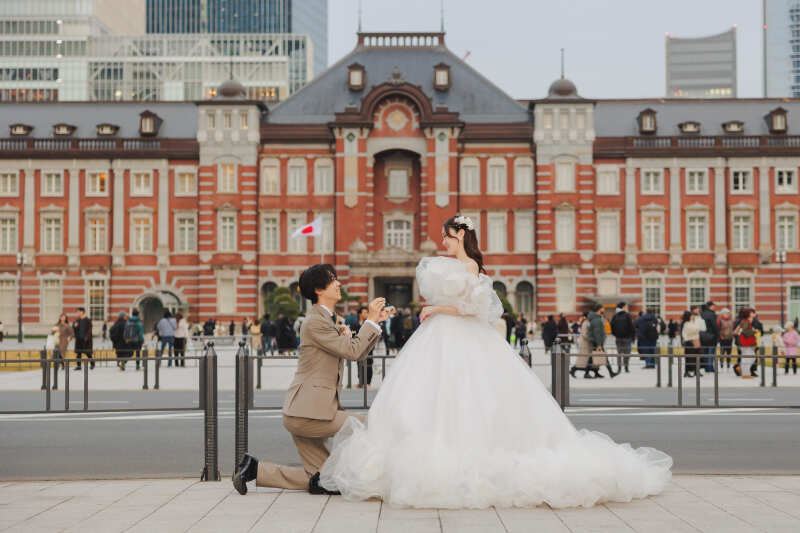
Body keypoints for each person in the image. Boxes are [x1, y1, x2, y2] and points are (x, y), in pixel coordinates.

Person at [313, 215, 671, 508]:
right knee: (432, 395)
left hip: (460, 334)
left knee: (468, 395)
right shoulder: (451, 266)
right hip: (440, 337)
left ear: (461, 236)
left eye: (448, 236)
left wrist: (437, 309)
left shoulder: (470, 267)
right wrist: (436, 309)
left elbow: (473, 309)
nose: (443, 242)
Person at [233, 264, 385, 495]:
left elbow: (357, 352)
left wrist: (374, 324)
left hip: (307, 410)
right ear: (318, 289)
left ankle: (254, 469)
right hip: (307, 414)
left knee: (324, 479)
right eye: (332, 279)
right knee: (366, 426)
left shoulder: (326, 319)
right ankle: (380, 474)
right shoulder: (315, 321)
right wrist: (370, 321)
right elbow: (352, 351)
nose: (339, 283)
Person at [587, 303, 617, 378]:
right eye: (602, 308)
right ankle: (611, 372)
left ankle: (590, 372)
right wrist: (599, 344)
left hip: (597, 342)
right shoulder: (597, 320)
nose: (604, 309)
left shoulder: (597, 318)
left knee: (592, 358)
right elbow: (597, 333)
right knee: (600, 357)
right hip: (597, 342)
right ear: (599, 309)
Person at [350, 306, 374, 388]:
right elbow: (352, 334)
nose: (367, 314)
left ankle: (368, 382)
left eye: (367, 312)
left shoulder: (369, 323)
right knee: (359, 365)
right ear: (360, 314)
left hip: (368, 348)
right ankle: (361, 382)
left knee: (368, 364)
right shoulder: (354, 323)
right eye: (365, 312)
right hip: (358, 348)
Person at [733, 308, 759, 378]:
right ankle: (746, 374)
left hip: (745, 342)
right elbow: (745, 331)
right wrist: (754, 331)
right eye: (751, 312)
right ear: (748, 314)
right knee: (748, 358)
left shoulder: (746, 321)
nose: (752, 313)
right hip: (746, 342)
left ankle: (743, 370)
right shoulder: (746, 322)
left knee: (750, 357)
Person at [610, 301, 635, 373]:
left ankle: (619, 368)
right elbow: (631, 327)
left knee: (619, 353)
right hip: (627, 338)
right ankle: (626, 367)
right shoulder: (627, 315)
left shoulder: (615, 315)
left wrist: (615, 334)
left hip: (618, 338)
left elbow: (612, 326)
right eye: (626, 306)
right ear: (623, 307)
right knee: (627, 353)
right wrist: (632, 336)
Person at [681, 308, 704, 377]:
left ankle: (695, 371)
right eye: (691, 316)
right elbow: (695, 329)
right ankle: (688, 371)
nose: (692, 317)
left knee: (696, 357)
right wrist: (697, 328)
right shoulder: (686, 323)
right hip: (690, 342)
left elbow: (698, 328)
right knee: (690, 358)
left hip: (695, 341)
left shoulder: (692, 322)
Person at [569, 312, 593, 378]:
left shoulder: (586, 322)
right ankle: (574, 369)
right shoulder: (585, 323)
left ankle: (578, 370)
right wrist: (590, 338)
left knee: (584, 359)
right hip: (585, 344)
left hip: (585, 343)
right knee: (584, 359)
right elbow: (585, 334)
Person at [699, 301, 719, 372]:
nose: (715, 307)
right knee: (711, 353)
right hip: (711, 336)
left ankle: (706, 367)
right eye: (714, 306)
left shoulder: (701, 313)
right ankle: (710, 368)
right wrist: (717, 335)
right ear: (710, 306)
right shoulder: (712, 314)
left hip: (702, 336)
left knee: (705, 352)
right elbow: (714, 326)